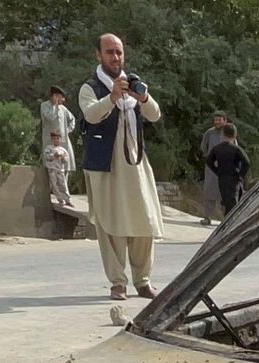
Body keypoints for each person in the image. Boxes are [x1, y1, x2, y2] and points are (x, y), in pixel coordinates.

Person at [79, 33, 165, 301]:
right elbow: (91, 115)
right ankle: (118, 283)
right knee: (111, 223)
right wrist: (113, 97)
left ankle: (143, 280)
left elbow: (155, 115)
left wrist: (143, 97)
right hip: (105, 164)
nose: (115, 57)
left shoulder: (134, 85)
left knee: (144, 219)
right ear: (98, 55)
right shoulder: (90, 87)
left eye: (118, 52)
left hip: (135, 162)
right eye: (109, 52)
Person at [39, 85, 76, 205]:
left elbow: (72, 120)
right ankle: (53, 193)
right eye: (59, 97)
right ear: (54, 96)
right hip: (50, 141)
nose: (61, 100)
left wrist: (67, 130)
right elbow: (49, 117)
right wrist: (54, 105)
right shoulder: (45, 106)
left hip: (63, 141)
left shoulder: (64, 109)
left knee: (65, 164)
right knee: (51, 167)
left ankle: (65, 194)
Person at [205, 123, 249, 219]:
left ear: (223, 134)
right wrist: (241, 174)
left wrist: (217, 171)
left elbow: (209, 161)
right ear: (235, 135)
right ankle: (229, 223)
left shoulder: (217, 148)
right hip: (234, 178)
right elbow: (246, 162)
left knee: (226, 201)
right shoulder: (236, 149)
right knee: (233, 202)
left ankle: (226, 222)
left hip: (222, 178)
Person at [199, 112, 227, 226]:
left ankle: (226, 220)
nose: (217, 122)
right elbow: (203, 147)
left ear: (224, 120)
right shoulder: (209, 133)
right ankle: (207, 217)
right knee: (209, 191)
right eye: (216, 120)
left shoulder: (228, 132)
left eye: (219, 120)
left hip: (225, 167)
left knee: (225, 193)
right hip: (211, 167)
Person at [42, 132, 74, 207]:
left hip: (60, 170)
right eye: (54, 139)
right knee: (55, 186)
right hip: (52, 170)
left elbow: (65, 160)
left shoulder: (63, 150)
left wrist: (62, 158)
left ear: (60, 139)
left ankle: (67, 200)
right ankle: (60, 200)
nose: (56, 140)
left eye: (57, 139)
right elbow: (47, 157)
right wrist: (54, 155)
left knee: (63, 185)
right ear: (52, 140)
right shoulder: (49, 148)